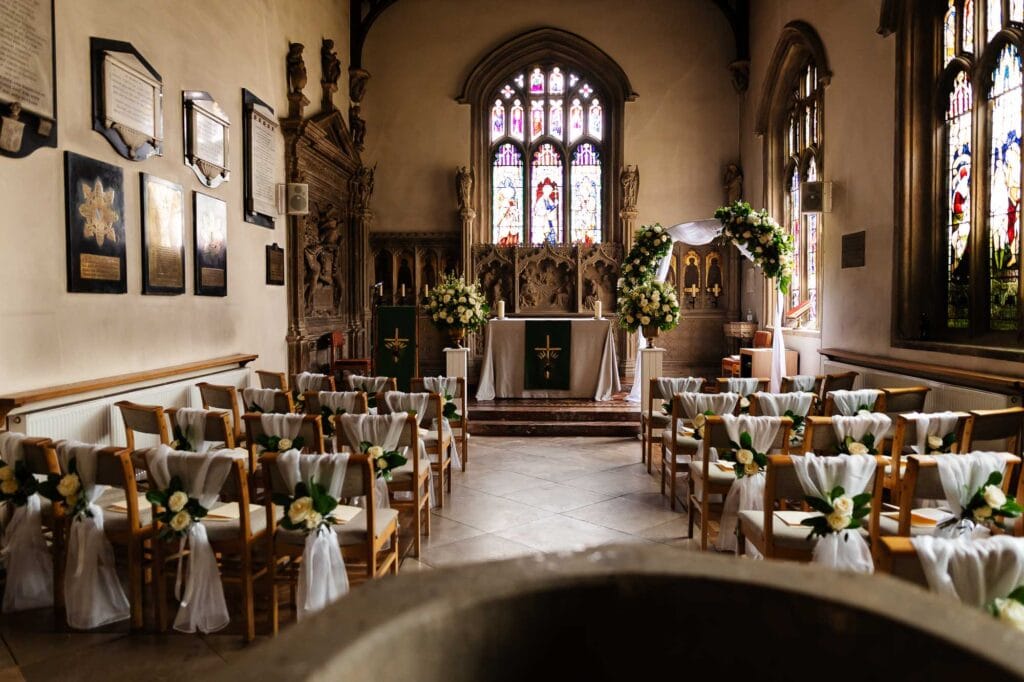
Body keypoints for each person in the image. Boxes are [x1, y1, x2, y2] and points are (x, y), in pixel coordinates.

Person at [532, 178, 559, 243]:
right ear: (544, 191)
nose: (549, 193)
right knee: (542, 240)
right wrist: (546, 211)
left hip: (550, 223)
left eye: (550, 192)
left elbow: (553, 213)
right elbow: (537, 211)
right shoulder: (540, 201)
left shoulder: (550, 200)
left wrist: (554, 206)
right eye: (547, 191)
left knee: (551, 240)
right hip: (542, 223)